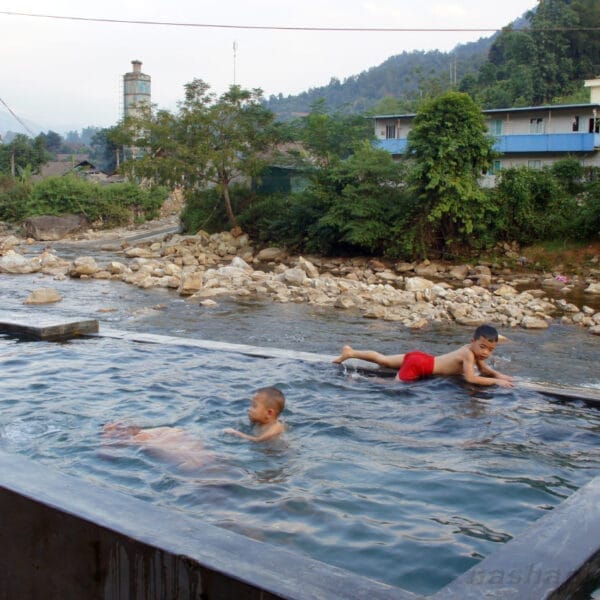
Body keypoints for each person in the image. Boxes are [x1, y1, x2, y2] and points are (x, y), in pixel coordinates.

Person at [332, 324, 514, 387]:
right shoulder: (468, 354)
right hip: (418, 366)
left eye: (490, 350)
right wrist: (496, 382)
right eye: (482, 347)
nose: (485, 352)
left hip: (420, 357)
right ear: (472, 341)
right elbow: (472, 379)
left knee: (383, 359)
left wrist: (499, 375)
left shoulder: (472, 351)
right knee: (394, 387)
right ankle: (358, 379)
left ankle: (351, 352)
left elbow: (483, 369)